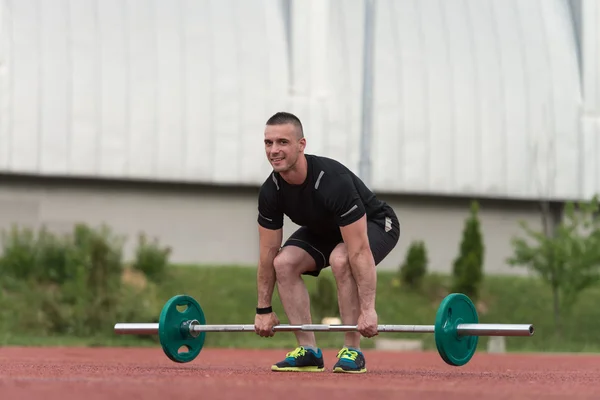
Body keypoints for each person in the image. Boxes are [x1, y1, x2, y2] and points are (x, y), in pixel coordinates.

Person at [253, 111, 400, 374]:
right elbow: (267, 254)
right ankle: (308, 351)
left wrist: (368, 310)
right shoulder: (271, 191)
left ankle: (352, 350)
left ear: (301, 145)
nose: (274, 150)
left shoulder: (331, 181)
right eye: (268, 143)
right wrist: (263, 308)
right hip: (325, 230)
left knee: (342, 259)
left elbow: (358, 250)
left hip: (375, 224)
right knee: (283, 262)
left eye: (282, 142)